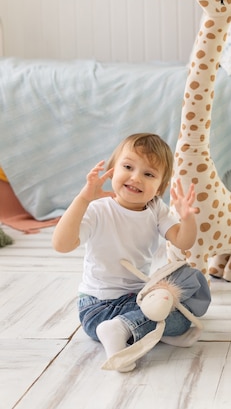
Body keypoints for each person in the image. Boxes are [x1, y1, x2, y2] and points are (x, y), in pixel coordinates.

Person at [52, 133, 211, 371]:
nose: (136, 178)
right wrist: (83, 198)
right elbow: (61, 245)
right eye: (128, 167)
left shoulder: (156, 209)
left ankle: (138, 329)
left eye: (148, 174)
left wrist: (187, 218)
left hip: (137, 299)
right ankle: (122, 329)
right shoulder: (98, 209)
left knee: (188, 291)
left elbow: (183, 242)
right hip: (97, 306)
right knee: (172, 316)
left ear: (161, 187)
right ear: (112, 170)